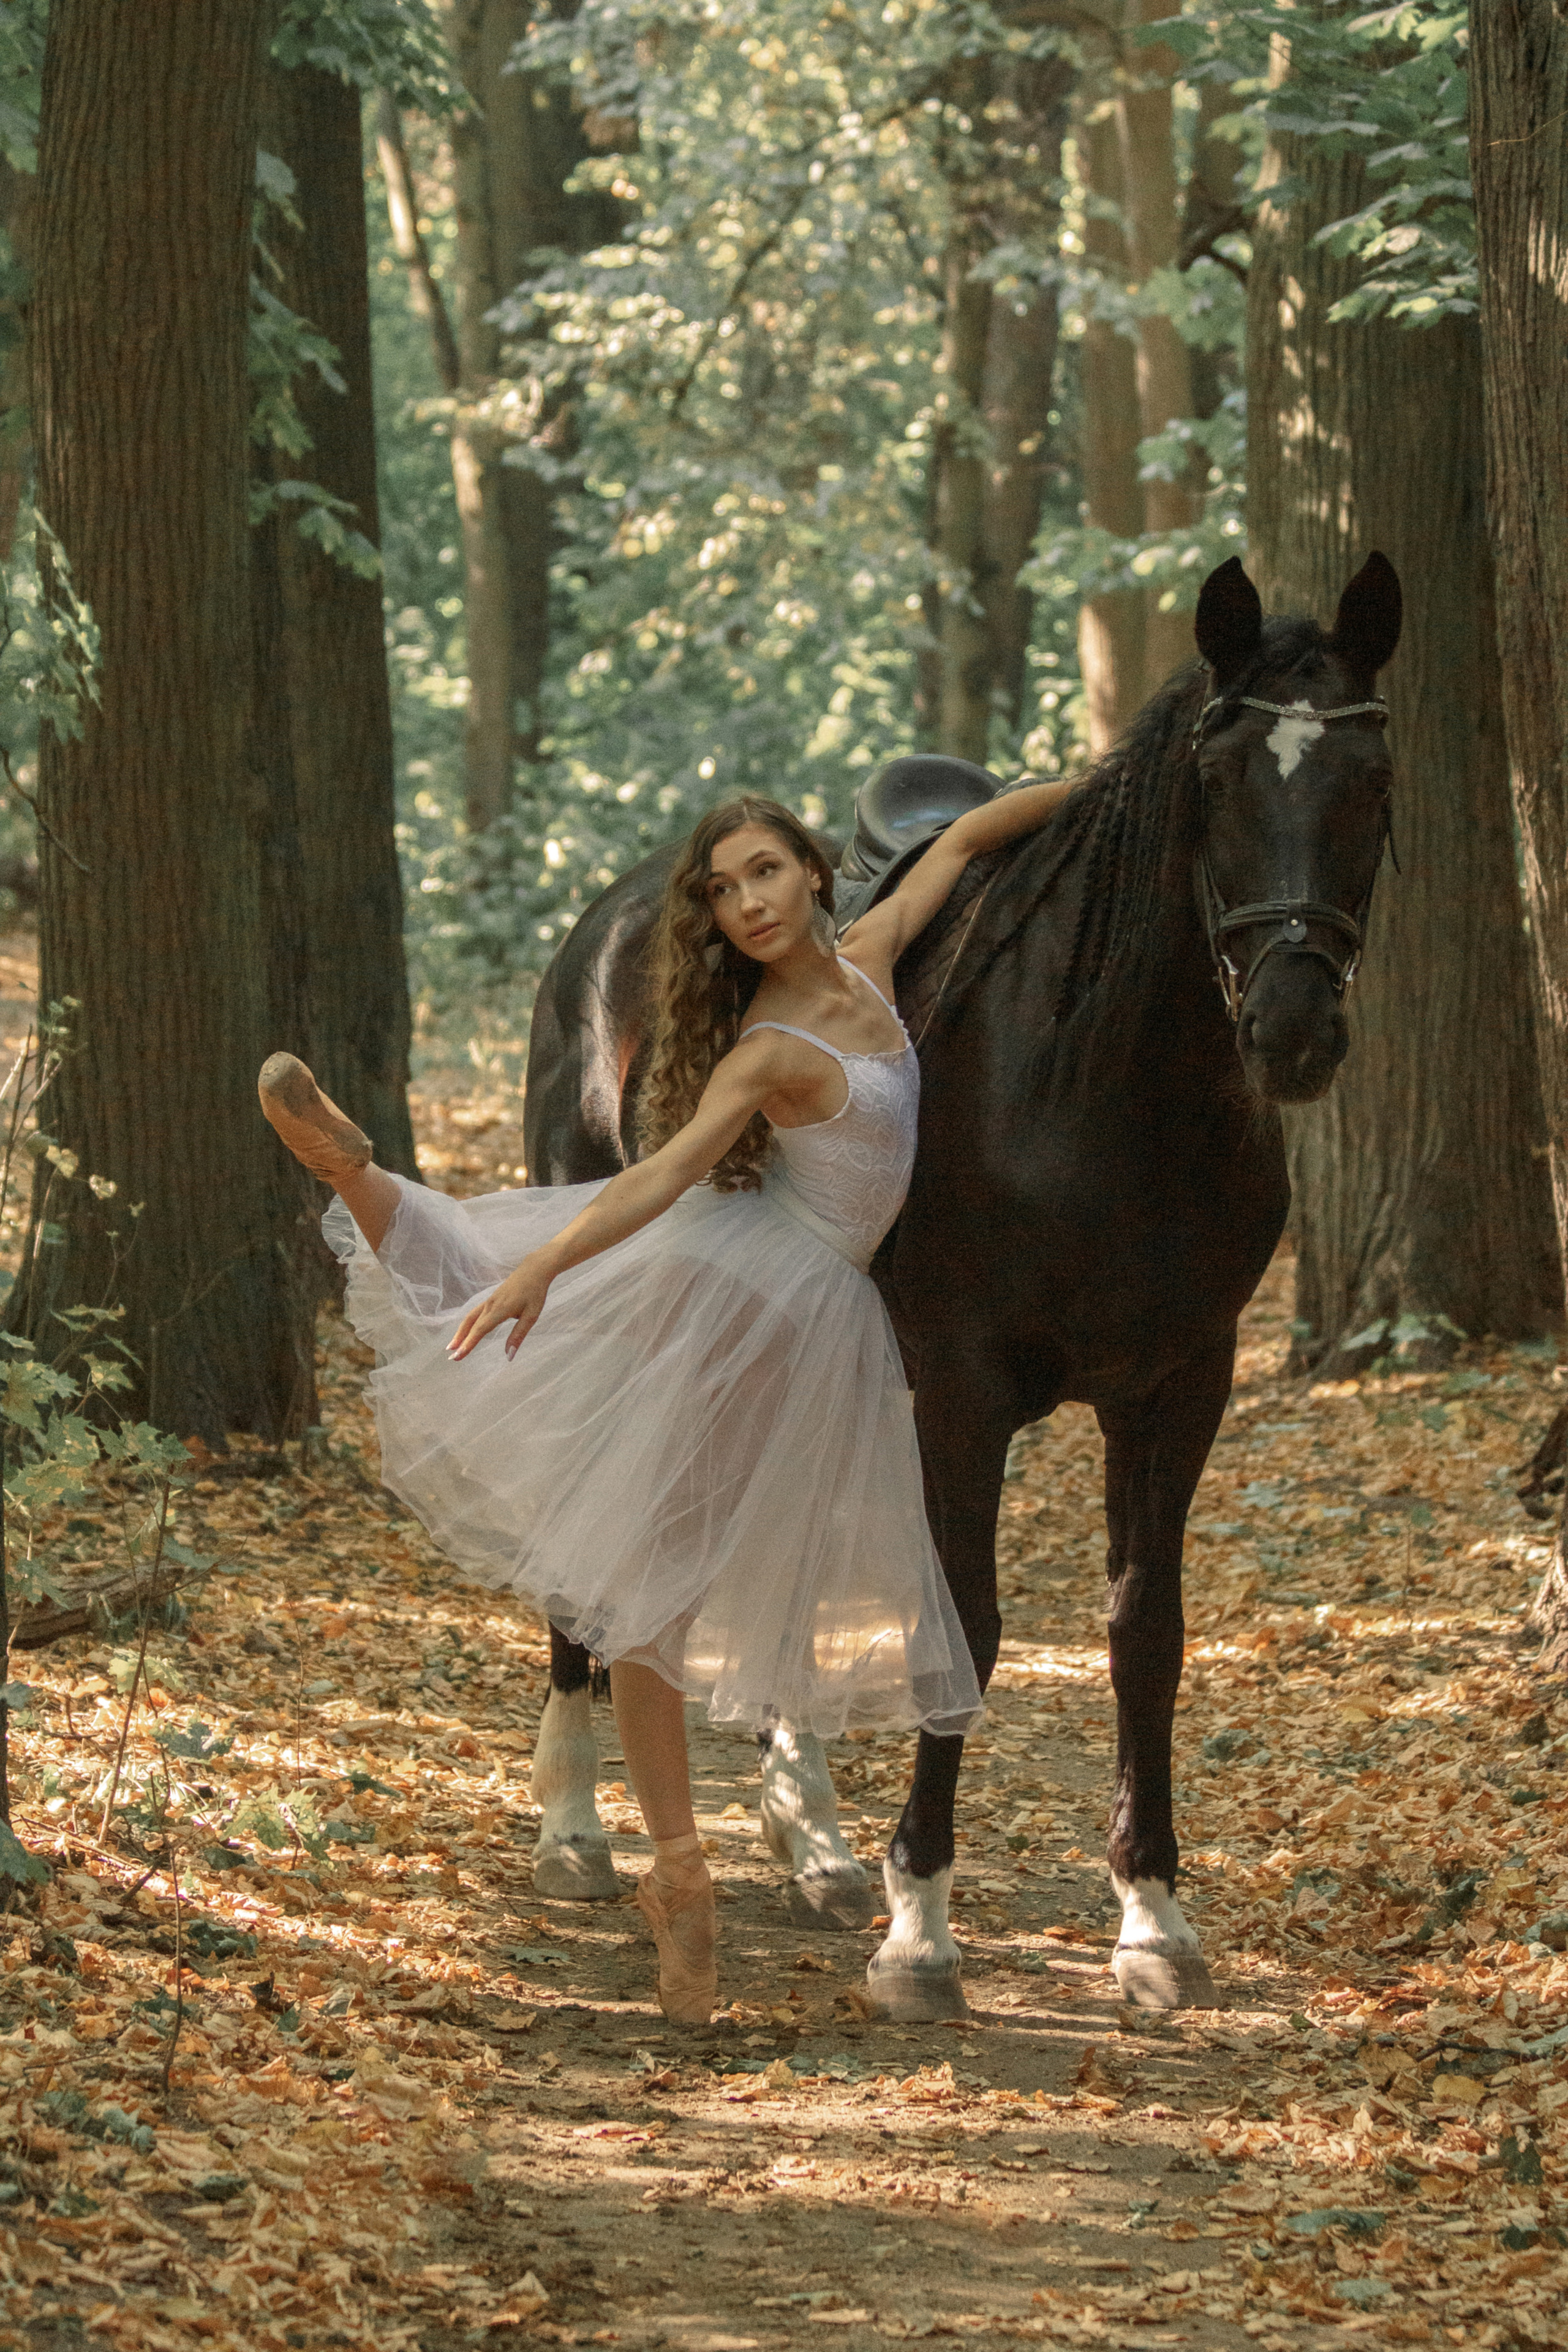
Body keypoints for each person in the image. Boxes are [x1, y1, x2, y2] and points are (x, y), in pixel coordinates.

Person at [258, 782, 1076, 2025]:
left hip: (796, 1294)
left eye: (762, 874)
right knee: (646, 1576)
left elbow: (961, 838)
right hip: (751, 1302)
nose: (745, 904)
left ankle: (377, 1186)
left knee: (653, 1554)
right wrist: (549, 1264)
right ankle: (679, 1875)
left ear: (812, 871)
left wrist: (1125, 768)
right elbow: (668, 1172)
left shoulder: (870, 960)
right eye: (721, 890)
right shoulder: (765, 1050)